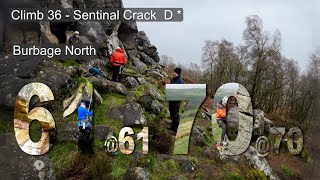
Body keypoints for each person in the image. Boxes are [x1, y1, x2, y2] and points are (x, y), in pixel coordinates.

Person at [169, 68, 184, 132]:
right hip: (171, 99)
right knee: (171, 113)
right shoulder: (172, 80)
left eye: (175, 72)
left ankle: (176, 129)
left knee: (175, 114)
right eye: (173, 72)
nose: (173, 73)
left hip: (176, 100)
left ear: (178, 74)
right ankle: (173, 127)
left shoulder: (180, 81)